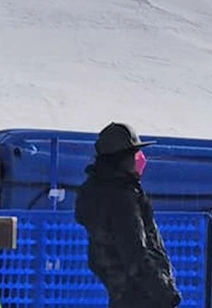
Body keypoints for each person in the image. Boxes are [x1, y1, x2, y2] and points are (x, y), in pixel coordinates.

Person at [74, 122, 180, 308]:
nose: (138, 159)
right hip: (141, 297)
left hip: (121, 293)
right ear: (121, 159)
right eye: (133, 154)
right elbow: (135, 252)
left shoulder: (99, 193)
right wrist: (164, 292)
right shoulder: (122, 199)